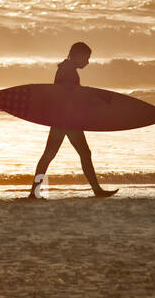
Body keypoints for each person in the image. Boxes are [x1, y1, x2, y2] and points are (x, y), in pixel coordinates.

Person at [28, 42, 118, 199]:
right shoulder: (67, 70)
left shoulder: (66, 68)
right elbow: (69, 94)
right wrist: (96, 97)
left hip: (63, 118)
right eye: (87, 58)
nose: (88, 62)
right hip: (66, 120)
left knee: (50, 154)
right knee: (79, 153)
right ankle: (96, 190)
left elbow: (71, 94)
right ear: (78, 55)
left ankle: (34, 192)